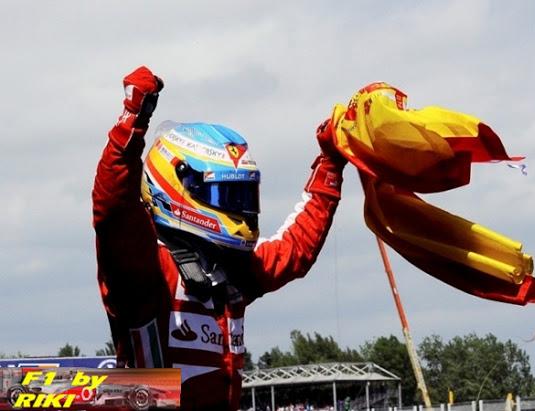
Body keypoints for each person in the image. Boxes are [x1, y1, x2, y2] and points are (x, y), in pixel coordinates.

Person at [92, 66, 346, 410]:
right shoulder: (148, 271)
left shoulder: (232, 273)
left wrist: (331, 163)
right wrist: (130, 125)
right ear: (177, 187)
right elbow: (113, 212)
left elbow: (296, 249)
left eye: (243, 194)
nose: (240, 208)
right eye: (225, 194)